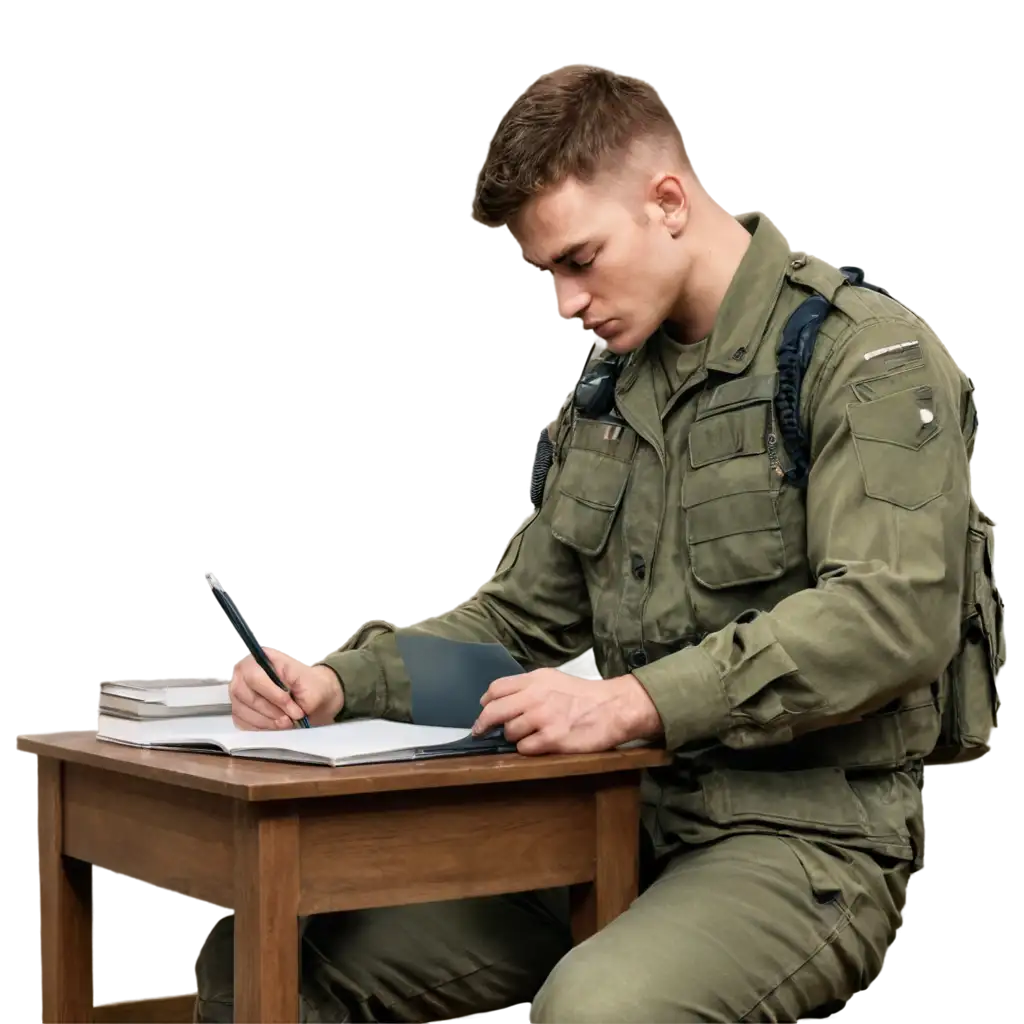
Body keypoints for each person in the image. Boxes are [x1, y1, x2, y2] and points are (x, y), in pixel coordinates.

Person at [195, 62, 983, 1023]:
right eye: (547, 274)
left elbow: (890, 616)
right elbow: (516, 619)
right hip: (612, 823)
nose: (564, 305)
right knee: (269, 948)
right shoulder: (608, 392)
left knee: (597, 1011)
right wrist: (335, 681)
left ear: (667, 202)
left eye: (579, 260)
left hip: (802, 838)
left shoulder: (864, 359)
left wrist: (635, 700)